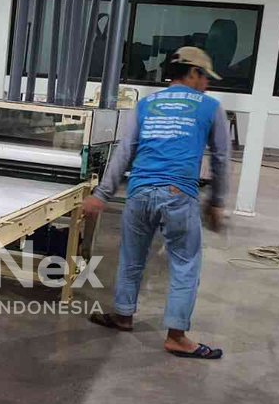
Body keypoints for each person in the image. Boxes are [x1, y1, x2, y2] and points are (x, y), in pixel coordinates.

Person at [82, 47, 230, 359]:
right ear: (193, 72)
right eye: (205, 77)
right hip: (178, 194)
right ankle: (176, 336)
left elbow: (125, 151)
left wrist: (102, 195)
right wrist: (216, 202)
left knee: (132, 257)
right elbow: (220, 158)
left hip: (138, 193)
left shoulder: (146, 104)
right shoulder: (210, 107)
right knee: (185, 264)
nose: (207, 84)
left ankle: (123, 315)